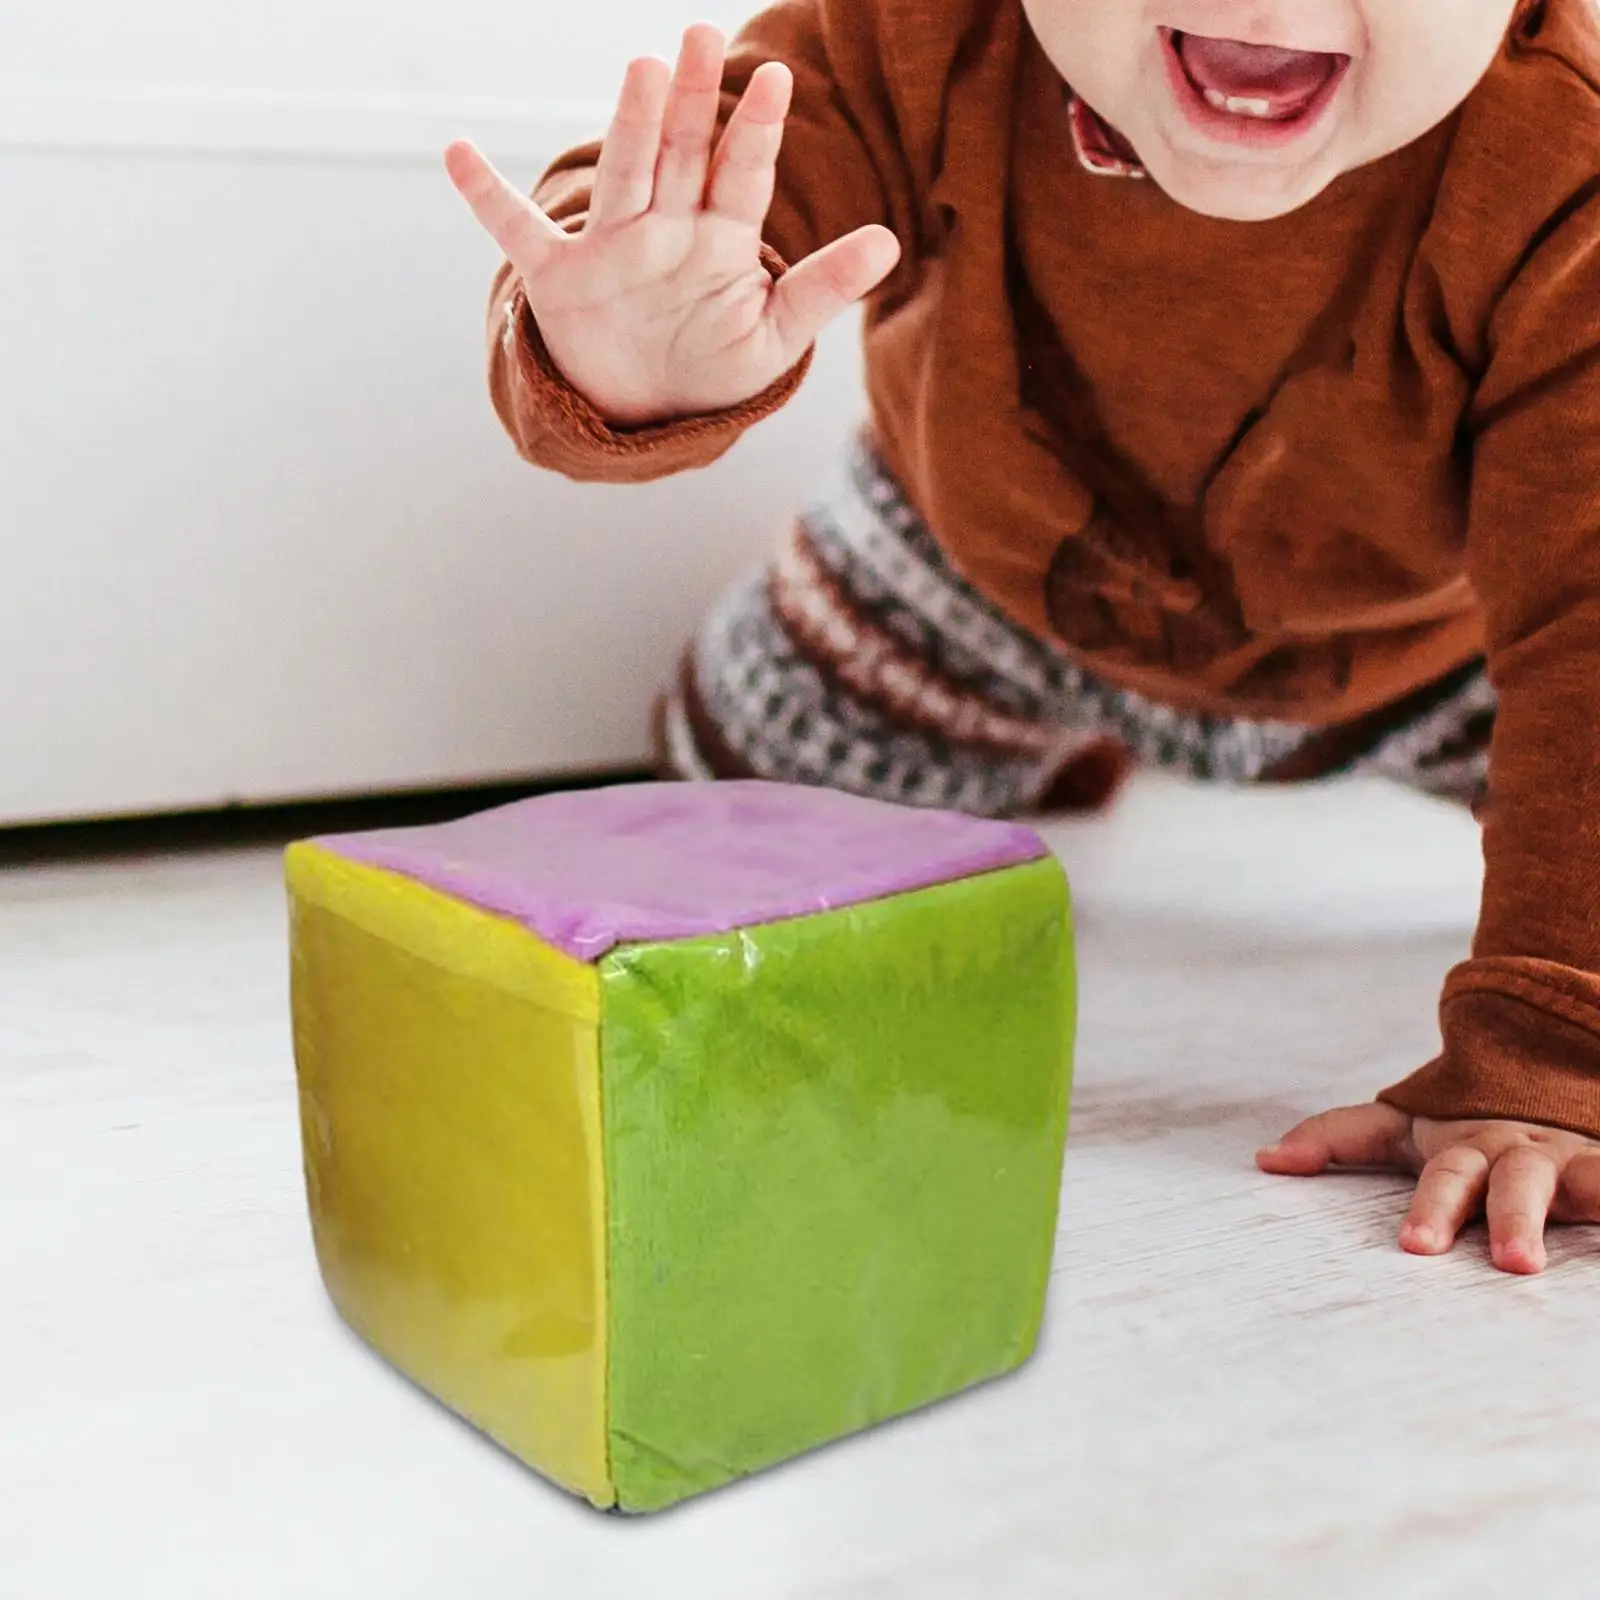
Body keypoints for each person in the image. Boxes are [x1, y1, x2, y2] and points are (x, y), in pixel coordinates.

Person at [445, 0, 1600, 1274]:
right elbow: (697, 178)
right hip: (969, 579)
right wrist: (616, 348)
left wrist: (1549, 1051)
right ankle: (1053, 745)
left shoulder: (1567, 168)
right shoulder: (914, 33)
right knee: (722, 787)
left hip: (1430, 662)